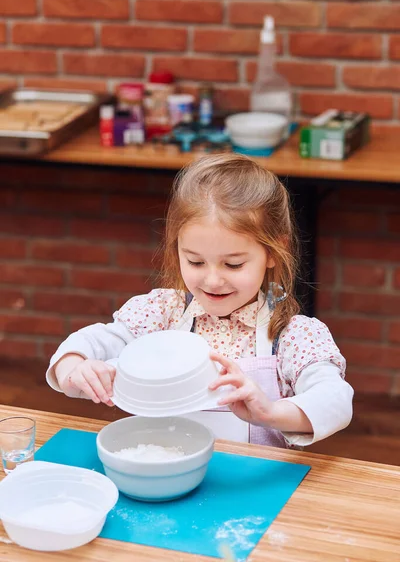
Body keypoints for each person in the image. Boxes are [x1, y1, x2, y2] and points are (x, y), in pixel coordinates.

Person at [47, 153, 353, 448]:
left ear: (272, 251)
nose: (212, 280)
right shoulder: (160, 314)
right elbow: (83, 351)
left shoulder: (291, 334)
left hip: (254, 491)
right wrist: (77, 371)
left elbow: (334, 401)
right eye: (195, 261)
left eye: (233, 264)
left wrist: (269, 413)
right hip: (164, 481)